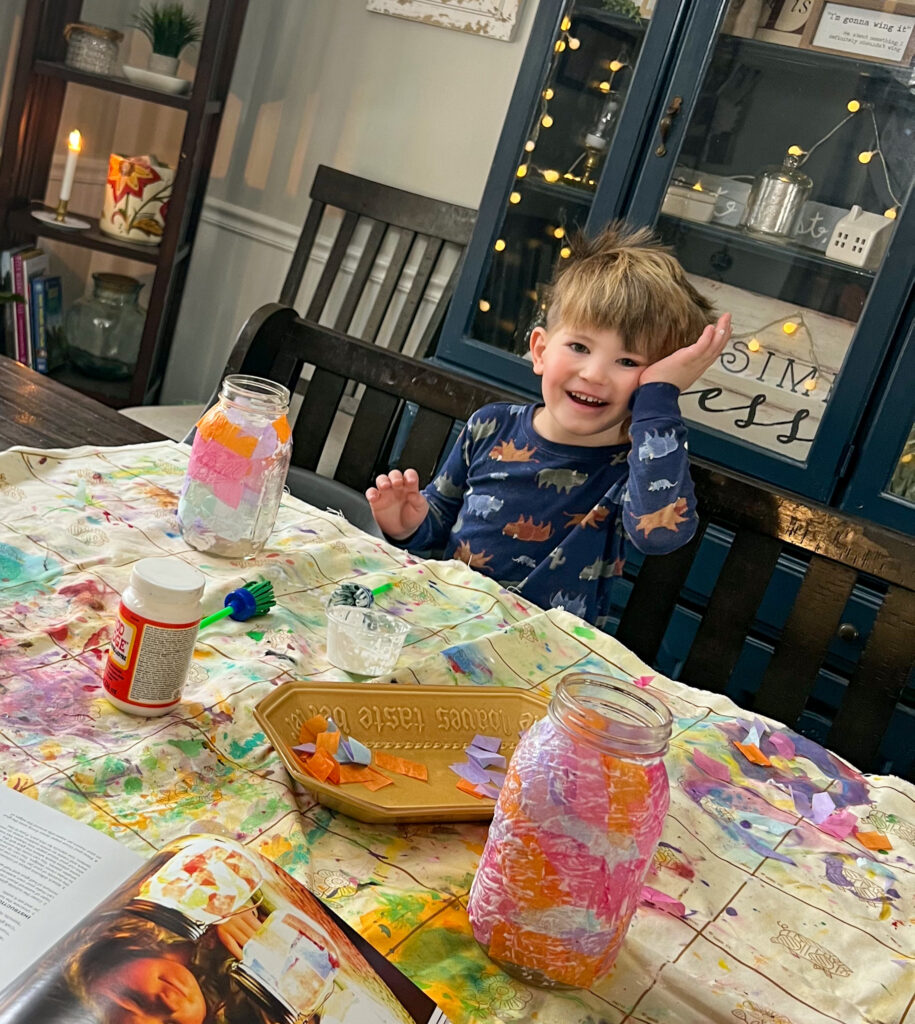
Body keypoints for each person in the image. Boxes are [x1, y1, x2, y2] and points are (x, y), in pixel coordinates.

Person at [366, 223, 732, 626]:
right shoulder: (489, 426)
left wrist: (660, 396)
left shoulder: (636, 465)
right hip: (448, 618)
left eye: (628, 361)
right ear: (540, 350)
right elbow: (439, 521)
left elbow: (658, 534)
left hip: (546, 653)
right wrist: (409, 524)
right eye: (579, 347)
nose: (594, 374)